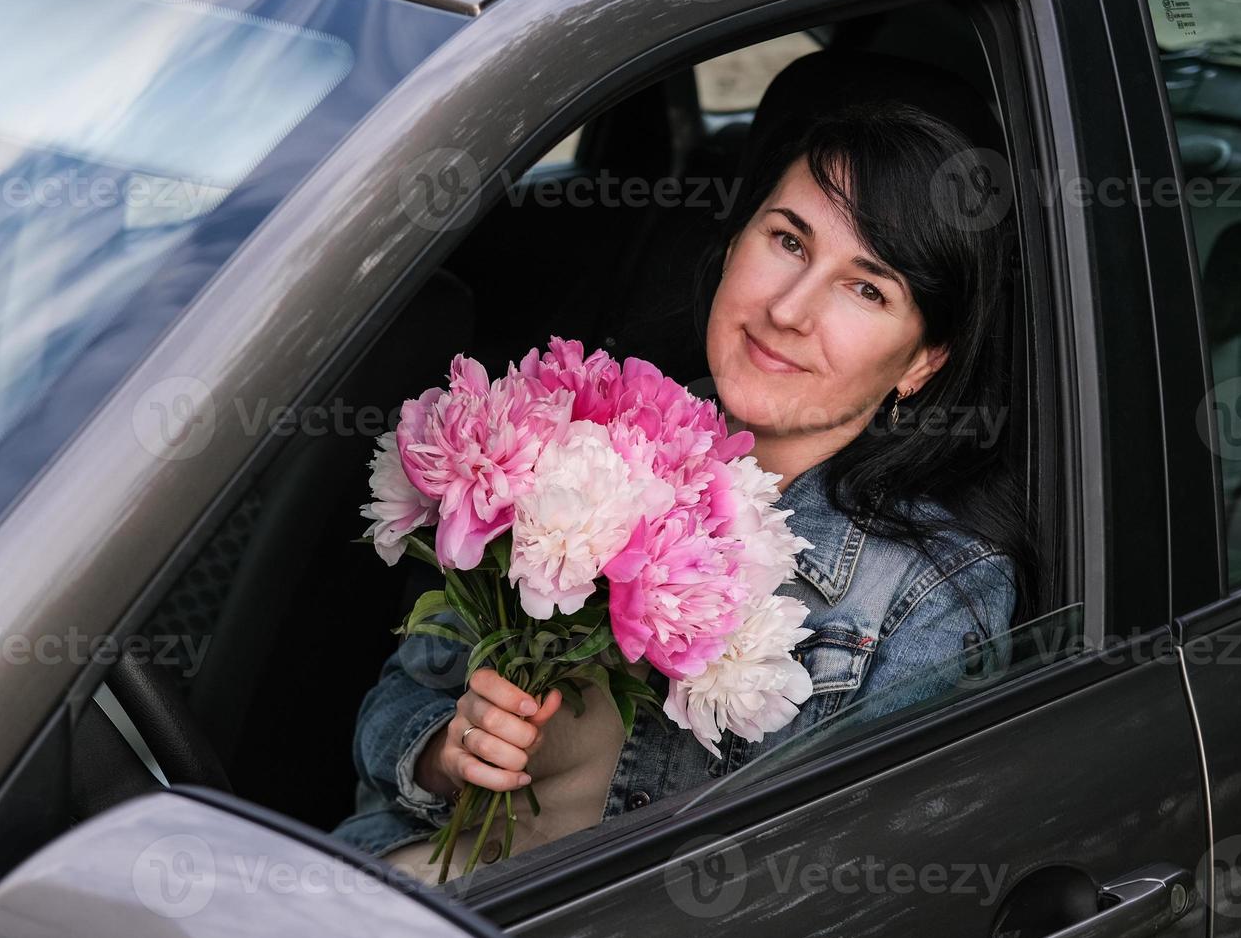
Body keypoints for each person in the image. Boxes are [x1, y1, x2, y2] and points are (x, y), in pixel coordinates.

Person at [332, 98, 1035, 879]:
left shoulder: (927, 595)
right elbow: (390, 712)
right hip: (374, 886)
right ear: (736, 242)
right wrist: (445, 751)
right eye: (788, 240)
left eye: (867, 289)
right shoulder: (571, 435)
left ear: (921, 363)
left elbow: (847, 895)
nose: (789, 309)